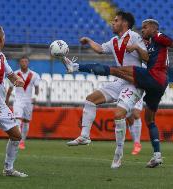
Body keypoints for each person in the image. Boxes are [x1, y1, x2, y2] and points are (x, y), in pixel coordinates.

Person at [62, 19, 173, 168]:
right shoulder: (150, 43)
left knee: (116, 70)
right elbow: (145, 53)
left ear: (153, 28)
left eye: (145, 27)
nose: (142, 30)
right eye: (142, 28)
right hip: (159, 85)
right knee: (150, 120)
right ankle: (157, 155)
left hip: (154, 76)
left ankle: (76, 67)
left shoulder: (158, 36)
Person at [65, 11, 148, 168]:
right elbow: (100, 49)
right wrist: (89, 40)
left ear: (124, 23)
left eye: (116, 20)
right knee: (90, 99)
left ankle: (118, 153)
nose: (112, 23)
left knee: (118, 114)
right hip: (119, 81)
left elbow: (147, 58)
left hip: (134, 83)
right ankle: (84, 136)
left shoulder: (135, 37)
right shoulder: (114, 41)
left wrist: (137, 47)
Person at [0, 25, 28, 177]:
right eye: (4, 35)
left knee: (16, 136)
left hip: (0, 105)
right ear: (1, 38)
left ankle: (8, 170)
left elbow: (10, 74)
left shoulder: (1, 56)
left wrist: (17, 79)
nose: (5, 38)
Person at [6, 56, 40, 149]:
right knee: (17, 119)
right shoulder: (15, 74)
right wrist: (6, 101)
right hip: (18, 100)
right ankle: (17, 140)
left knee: (26, 122)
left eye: (25, 61)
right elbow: (10, 89)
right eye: (22, 61)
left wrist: (35, 97)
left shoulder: (35, 75)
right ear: (19, 63)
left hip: (29, 101)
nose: (24, 63)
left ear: (28, 63)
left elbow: (37, 88)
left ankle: (22, 141)